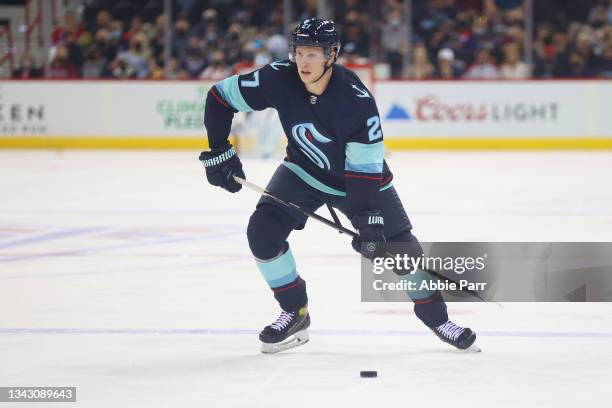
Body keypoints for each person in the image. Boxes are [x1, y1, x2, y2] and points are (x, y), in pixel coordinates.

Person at [199, 18, 478, 353]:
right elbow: (219, 97)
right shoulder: (277, 77)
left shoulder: (355, 100)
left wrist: (366, 220)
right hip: (303, 170)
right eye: (299, 52)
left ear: (331, 55)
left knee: (403, 253)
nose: (303, 61)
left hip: (357, 180)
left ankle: (437, 319)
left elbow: (363, 170)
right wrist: (219, 149)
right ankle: (295, 311)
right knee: (262, 233)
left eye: (313, 54)